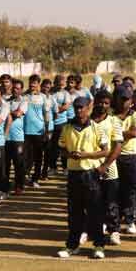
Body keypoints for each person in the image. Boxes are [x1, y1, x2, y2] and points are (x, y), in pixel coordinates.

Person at [56, 96, 109, 259]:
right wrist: (70, 154)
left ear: (89, 108)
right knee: (74, 212)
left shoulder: (96, 127)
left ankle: (99, 245)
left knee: (95, 211)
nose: (79, 110)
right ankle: (72, 246)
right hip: (73, 174)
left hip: (90, 174)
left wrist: (87, 155)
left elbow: (105, 150)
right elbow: (62, 149)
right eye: (76, 107)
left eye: (82, 107)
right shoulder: (67, 128)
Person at [90, 90, 123, 245]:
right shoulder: (87, 121)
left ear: (110, 105)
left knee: (111, 202)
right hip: (89, 168)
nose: (102, 105)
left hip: (109, 168)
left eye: (106, 103)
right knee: (93, 202)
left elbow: (117, 146)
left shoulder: (114, 121)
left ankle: (114, 230)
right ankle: (94, 229)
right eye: (100, 102)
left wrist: (105, 165)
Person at [116, 87, 136, 233]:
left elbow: (134, 133)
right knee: (114, 190)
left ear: (131, 101)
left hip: (130, 157)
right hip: (114, 157)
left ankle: (130, 220)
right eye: (121, 99)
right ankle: (114, 220)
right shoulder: (111, 116)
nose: (124, 102)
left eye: (126, 99)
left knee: (130, 190)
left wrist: (115, 133)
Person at [23, 74, 53, 186]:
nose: (32, 84)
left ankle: (35, 178)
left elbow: (46, 115)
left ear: (38, 84)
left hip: (39, 131)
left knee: (38, 156)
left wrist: (46, 131)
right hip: (25, 131)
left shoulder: (43, 97)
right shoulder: (24, 96)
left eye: (34, 83)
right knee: (26, 156)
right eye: (30, 82)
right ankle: (25, 176)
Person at [5, 80, 28, 194]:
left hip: (18, 138)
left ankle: (19, 186)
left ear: (21, 90)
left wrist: (7, 113)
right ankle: (5, 187)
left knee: (19, 164)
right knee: (5, 165)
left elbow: (18, 113)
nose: (15, 90)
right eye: (14, 88)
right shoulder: (6, 101)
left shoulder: (24, 102)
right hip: (6, 138)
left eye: (18, 88)